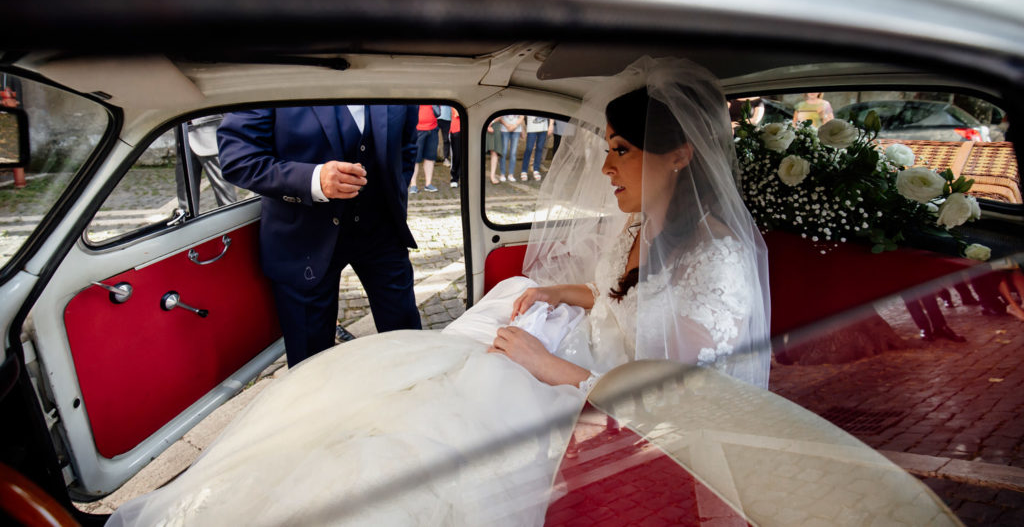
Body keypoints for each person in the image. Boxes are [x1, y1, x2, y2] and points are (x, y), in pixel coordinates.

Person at [111, 58, 770, 526]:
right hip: (307, 236)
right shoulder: (639, 220)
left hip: (593, 381)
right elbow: (622, 296)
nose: (603, 167)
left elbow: (677, 399)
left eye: (620, 150)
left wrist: (549, 367)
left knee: (438, 427)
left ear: (682, 155)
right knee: (369, 376)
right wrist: (564, 293)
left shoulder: (717, 260)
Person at [217, 105, 422, 368]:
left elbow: (405, 149)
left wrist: (394, 197)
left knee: (407, 337)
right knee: (310, 361)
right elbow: (239, 159)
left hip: (381, 231)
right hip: (304, 237)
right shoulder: (271, 71)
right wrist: (313, 180)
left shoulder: (392, 75)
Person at [175, 115, 237, 212]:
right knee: (185, 200)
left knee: (225, 197)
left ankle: (232, 223)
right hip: (182, 134)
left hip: (208, 132)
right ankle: (187, 224)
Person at [409, 105, 439, 193]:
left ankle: (428, 184)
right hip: (417, 129)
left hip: (433, 129)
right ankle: (413, 185)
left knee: (430, 158)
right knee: (415, 159)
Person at [520, 115, 553, 181]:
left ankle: (536, 170)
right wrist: (522, 128)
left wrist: (551, 125)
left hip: (544, 127)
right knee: (529, 148)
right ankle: (524, 171)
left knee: (540, 148)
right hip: (531, 127)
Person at [498, 113, 524, 181]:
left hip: (516, 129)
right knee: (503, 152)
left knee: (513, 153)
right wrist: (507, 126)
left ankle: (511, 174)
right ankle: (502, 174)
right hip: (504, 129)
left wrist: (514, 126)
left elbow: (521, 116)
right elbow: (499, 117)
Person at [485, 116, 502, 184]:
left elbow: (500, 115)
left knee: (494, 152)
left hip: (495, 126)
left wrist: (490, 123)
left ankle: (492, 176)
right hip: (480, 124)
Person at [448, 108, 462, 188]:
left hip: (469, 129)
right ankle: (454, 178)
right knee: (456, 156)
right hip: (456, 130)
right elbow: (458, 113)